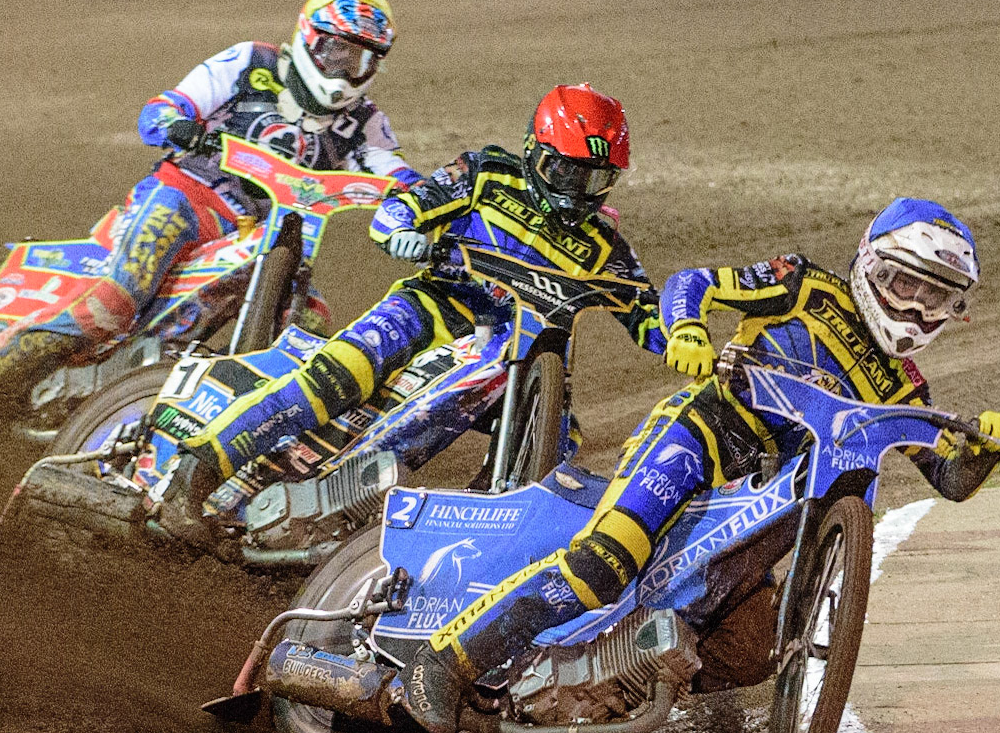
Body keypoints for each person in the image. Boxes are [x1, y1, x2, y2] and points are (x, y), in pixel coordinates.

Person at [392, 196, 1000, 733]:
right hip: (698, 438)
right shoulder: (803, 286)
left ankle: (608, 691)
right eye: (901, 283)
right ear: (867, 266)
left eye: (934, 296)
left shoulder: (904, 389)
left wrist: (985, 449)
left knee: (753, 649)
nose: (913, 308)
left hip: (759, 504)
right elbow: (694, 281)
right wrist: (687, 327)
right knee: (606, 561)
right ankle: (445, 662)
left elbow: (951, 479)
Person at [161, 83, 666, 537]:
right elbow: (403, 207)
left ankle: (472, 537)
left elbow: (650, 315)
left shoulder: (606, 245)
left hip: (513, 351)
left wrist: (687, 338)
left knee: (560, 442)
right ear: (535, 154)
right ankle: (190, 480)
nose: (574, 193)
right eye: (565, 172)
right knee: (342, 374)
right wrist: (403, 234)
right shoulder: (486, 173)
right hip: (432, 304)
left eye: (594, 179)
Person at [0, 0, 422, 420]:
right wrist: (179, 125)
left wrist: (429, 204)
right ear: (307, 37)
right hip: (186, 197)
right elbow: (160, 110)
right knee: (115, 301)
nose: (344, 69)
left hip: (266, 230)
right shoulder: (250, 63)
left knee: (311, 325)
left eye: (360, 60)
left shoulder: (364, 122)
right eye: (336, 49)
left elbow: (397, 175)